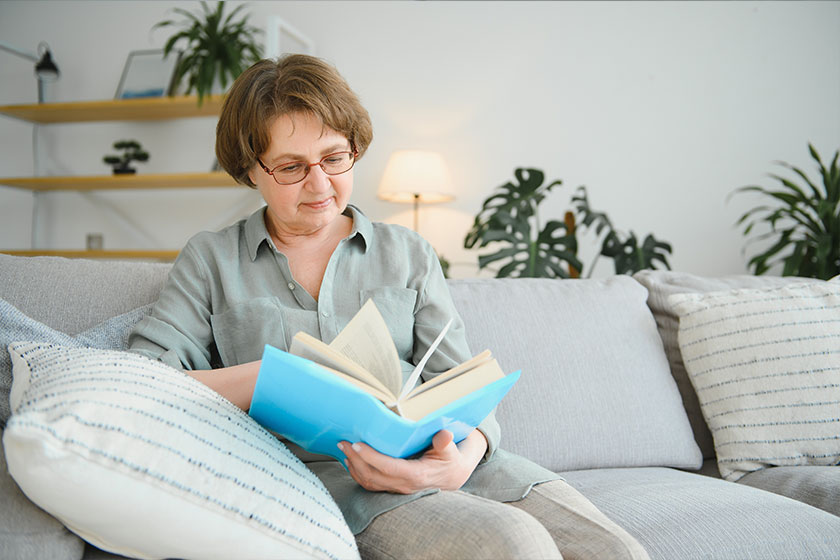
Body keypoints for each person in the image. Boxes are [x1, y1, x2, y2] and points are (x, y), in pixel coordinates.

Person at [129, 54, 648, 560]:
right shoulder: (212, 259)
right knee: (514, 546)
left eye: (334, 158)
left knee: (618, 551)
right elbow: (144, 378)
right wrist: (276, 375)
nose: (319, 183)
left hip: (463, 464)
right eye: (291, 167)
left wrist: (456, 464)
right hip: (345, 485)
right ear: (250, 170)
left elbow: (461, 382)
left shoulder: (409, 253)